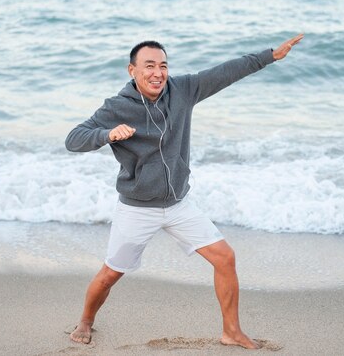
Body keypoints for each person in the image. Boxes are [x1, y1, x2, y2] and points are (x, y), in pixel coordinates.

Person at [65, 34, 303, 349]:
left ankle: (231, 331)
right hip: (137, 207)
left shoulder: (183, 90)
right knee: (111, 274)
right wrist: (106, 133)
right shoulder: (117, 106)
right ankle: (86, 321)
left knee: (225, 258)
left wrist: (269, 55)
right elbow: (74, 138)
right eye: (149, 66)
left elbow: (225, 72)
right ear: (132, 70)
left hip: (178, 203)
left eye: (163, 66)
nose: (157, 73)